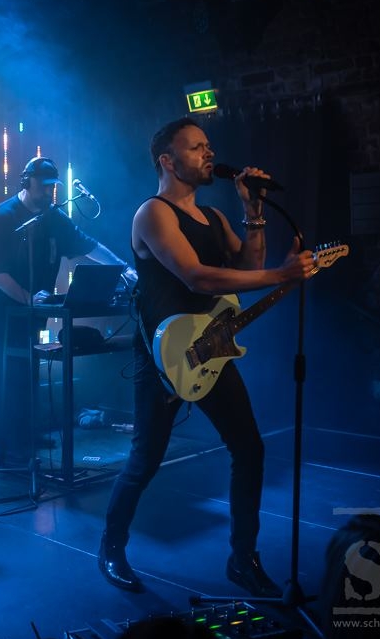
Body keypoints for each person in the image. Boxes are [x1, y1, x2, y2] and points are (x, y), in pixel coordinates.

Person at [97, 117, 316, 595]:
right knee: (145, 459)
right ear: (167, 160)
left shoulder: (215, 217)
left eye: (209, 146)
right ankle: (111, 547)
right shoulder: (152, 214)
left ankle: (243, 558)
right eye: (196, 148)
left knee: (249, 448)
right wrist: (282, 276)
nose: (209, 154)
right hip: (164, 357)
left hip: (212, 348)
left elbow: (249, 268)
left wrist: (253, 212)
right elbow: (198, 277)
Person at [0, 156, 136, 466]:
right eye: (44, 185)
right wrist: (27, 298)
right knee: (5, 374)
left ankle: (28, 434)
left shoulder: (53, 217)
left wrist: (123, 269)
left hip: (31, 307)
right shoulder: (5, 218)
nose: (50, 191)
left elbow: (86, 244)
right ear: (27, 182)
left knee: (29, 371)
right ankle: (9, 445)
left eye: (53, 186)